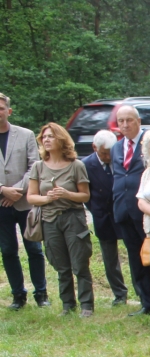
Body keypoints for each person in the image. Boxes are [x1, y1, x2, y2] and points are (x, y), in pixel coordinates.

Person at [26, 123, 93, 317]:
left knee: (80, 264)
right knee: (61, 266)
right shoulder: (38, 167)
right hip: (49, 220)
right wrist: (47, 198)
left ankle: (86, 305)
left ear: (61, 139)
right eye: (44, 137)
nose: (46, 140)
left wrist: (67, 194)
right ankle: (67, 305)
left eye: (51, 136)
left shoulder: (76, 166)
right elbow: (31, 197)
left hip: (73, 218)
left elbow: (85, 196)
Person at [0, 92, 48, 310]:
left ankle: (41, 294)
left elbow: (34, 167)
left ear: (9, 111)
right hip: (1, 204)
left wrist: (17, 191)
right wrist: (3, 190)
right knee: (8, 250)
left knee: (34, 249)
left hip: (25, 201)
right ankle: (18, 295)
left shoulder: (26, 135)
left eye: (1, 108)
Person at [112, 105, 150, 316]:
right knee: (135, 259)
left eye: (129, 120)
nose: (125, 124)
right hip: (123, 210)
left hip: (144, 211)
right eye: (121, 121)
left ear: (138, 121)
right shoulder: (116, 147)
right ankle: (147, 302)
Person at [83, 130, 129, 306]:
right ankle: (120, 294)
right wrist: (97, 210)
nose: (108, 157)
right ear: (94, 148)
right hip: (103, 216)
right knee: (110, 259)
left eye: (111, 152)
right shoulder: (86, 165)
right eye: (104, 153)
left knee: (134, 254)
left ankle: (143, 293)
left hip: (123, 213)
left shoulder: (121, 159)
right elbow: (86, 195)